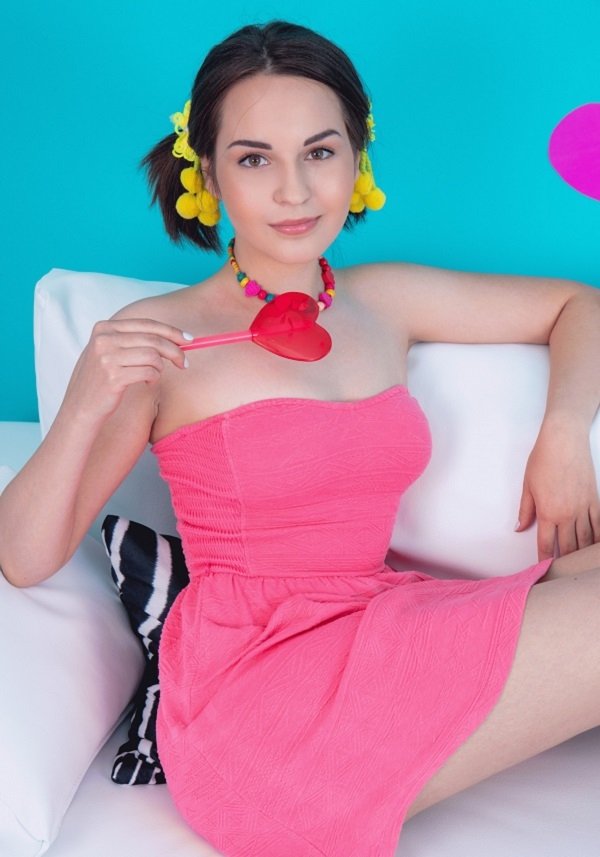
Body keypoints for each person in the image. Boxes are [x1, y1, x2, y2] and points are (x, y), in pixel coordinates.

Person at [1, 19, 599, 857]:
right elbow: (24, 557)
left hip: (381, 623)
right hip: (254, 701)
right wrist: (80, 407)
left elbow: (578, 304)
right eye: (255, 160)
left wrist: (563, 434)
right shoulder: (160, 337)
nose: (294, 190)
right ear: (208, 174)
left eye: (319, 152)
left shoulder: (383, 300)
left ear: (356, 160)